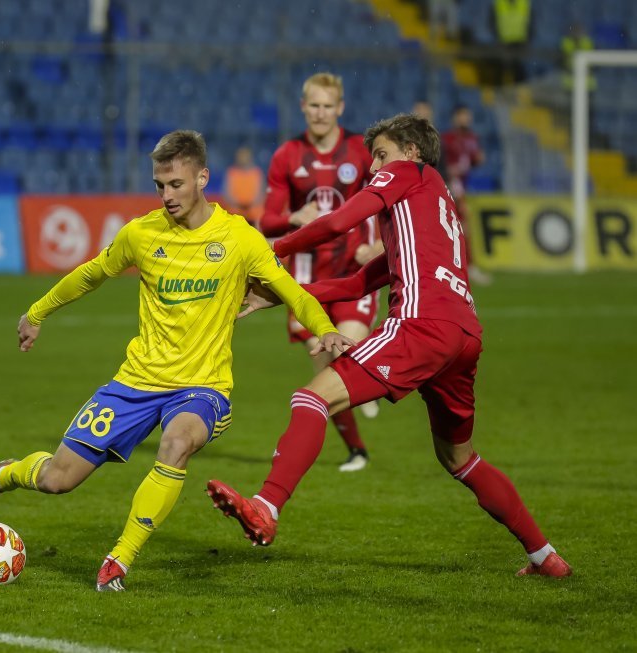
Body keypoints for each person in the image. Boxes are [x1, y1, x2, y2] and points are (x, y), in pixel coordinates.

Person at [0, 130, 354, 591]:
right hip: (136, 382)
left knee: (176, 443)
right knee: (58, 480)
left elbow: (293, 293)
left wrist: (325, 330)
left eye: (176, 184)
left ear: (202, 177)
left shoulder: (240, 238)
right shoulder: (141, 234)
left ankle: (119, 559)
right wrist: (36, 312)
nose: (167, 195)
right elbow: (91, 273)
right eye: (159, 185)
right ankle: (8, 472)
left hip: (203, 387)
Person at [207, 114, 571, 579]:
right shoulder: (430, 207)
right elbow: (359, 281)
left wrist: (270, 251)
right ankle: (545, 557)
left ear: (411, 151)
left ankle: (266, 507)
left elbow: (338, 220)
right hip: (463, 336)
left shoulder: (406, 174)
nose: (373, 164)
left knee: (313, 397)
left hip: (422, 326)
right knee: (460, 458)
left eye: (381, 153)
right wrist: (276, 294)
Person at [258, 72, 383, 473]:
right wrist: (294, 215)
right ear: (303, 106)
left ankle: (370, 375)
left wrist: (378, 247)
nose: (321, 113)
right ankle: (358, 451)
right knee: (325, 376)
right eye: (314, 105)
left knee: (346, 348)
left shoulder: (362, 152)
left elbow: (390, 202)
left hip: (354, 269)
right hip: (308, 279)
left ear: (340, 108)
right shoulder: (287, 155)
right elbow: (268, 220)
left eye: (328, 106)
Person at [441, 105, 490, 285]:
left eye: (467, 116)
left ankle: (463, 267)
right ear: (455, 117)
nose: (465, 119)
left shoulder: (472, 138)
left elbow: (474, 160)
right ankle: (465, 267)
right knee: (458, 228)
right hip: (450, 186)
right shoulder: (446, 138)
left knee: (461, 228)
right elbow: (444, 164)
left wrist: (477, 159)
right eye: (462, 115)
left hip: (462, 186)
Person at [222, 145, 264, 224]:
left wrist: (248, 203)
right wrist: (240, 203)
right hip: (235, 214)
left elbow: (259, 196)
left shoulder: (257, 173)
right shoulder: (231, 173)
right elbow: (227, 195)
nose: (243, 158)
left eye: (245, 155)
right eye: (241, 156)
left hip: (253, 215)